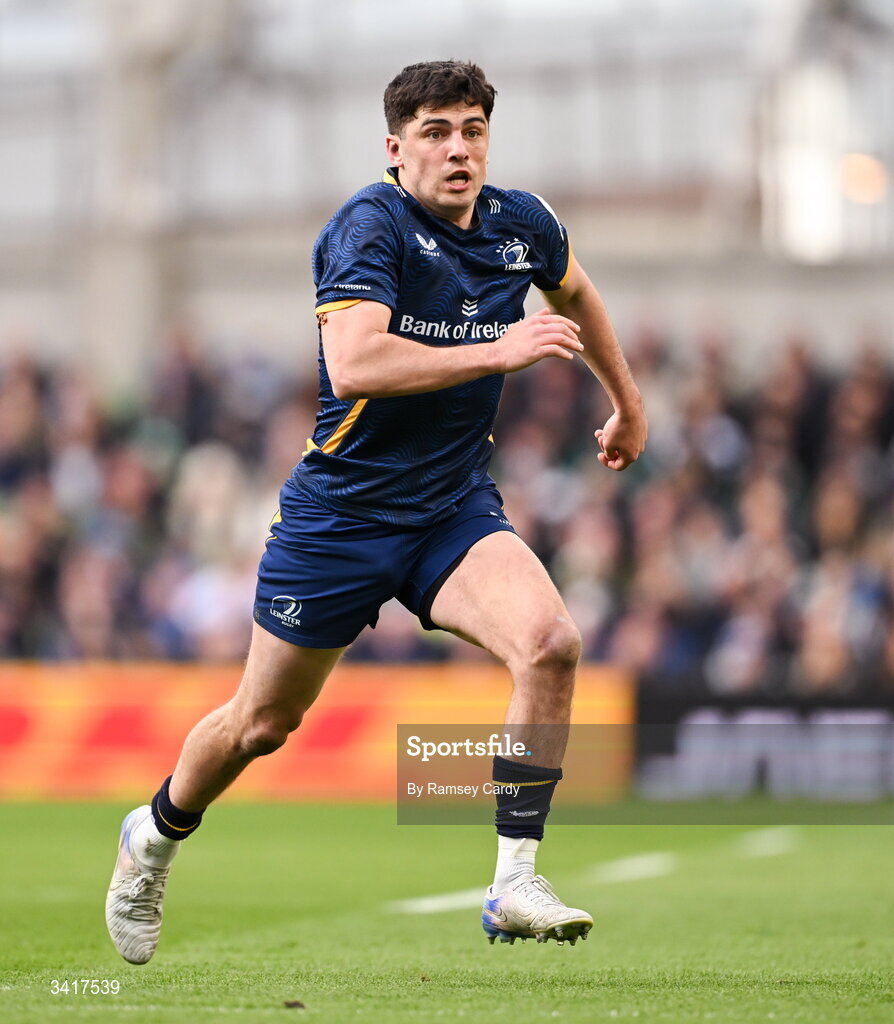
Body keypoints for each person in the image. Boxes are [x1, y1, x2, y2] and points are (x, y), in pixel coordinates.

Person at [106, 59, 647, 964]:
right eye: (436, 133)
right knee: (260, 724)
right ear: (396, 149)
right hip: (342, 516)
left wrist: (626, 403)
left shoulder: (522, 224)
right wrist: (499, 348)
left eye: (472, 130)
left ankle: (515, 880)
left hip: (450, 508)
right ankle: (153, 837)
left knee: (551, 644)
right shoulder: (368, 226)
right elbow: (355, 364)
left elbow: (576, 292)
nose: (458, 149)